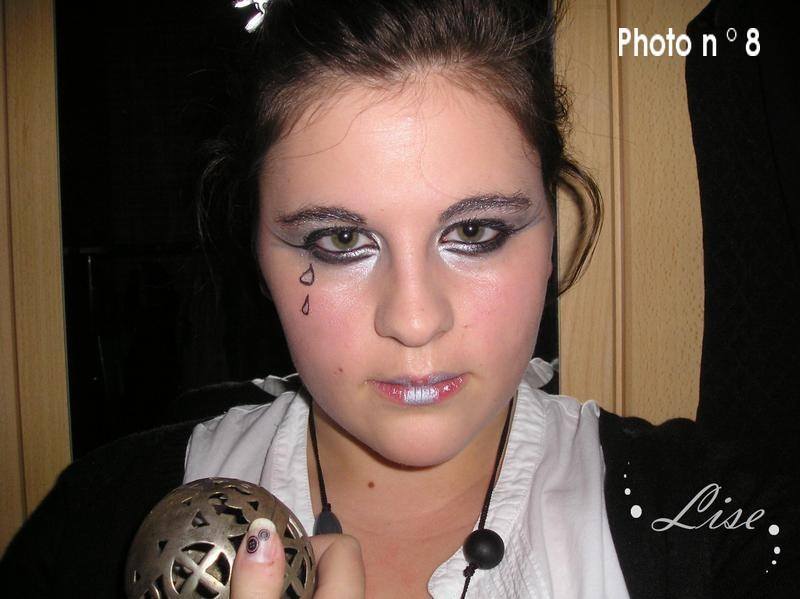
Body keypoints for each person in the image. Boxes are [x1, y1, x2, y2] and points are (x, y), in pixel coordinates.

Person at [1, 1, 797, 598]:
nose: (415, 320)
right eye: (340, 240)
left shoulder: (715, 525)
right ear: (258, 254)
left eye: (476, 231)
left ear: (550, 229)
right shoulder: (104, 519)